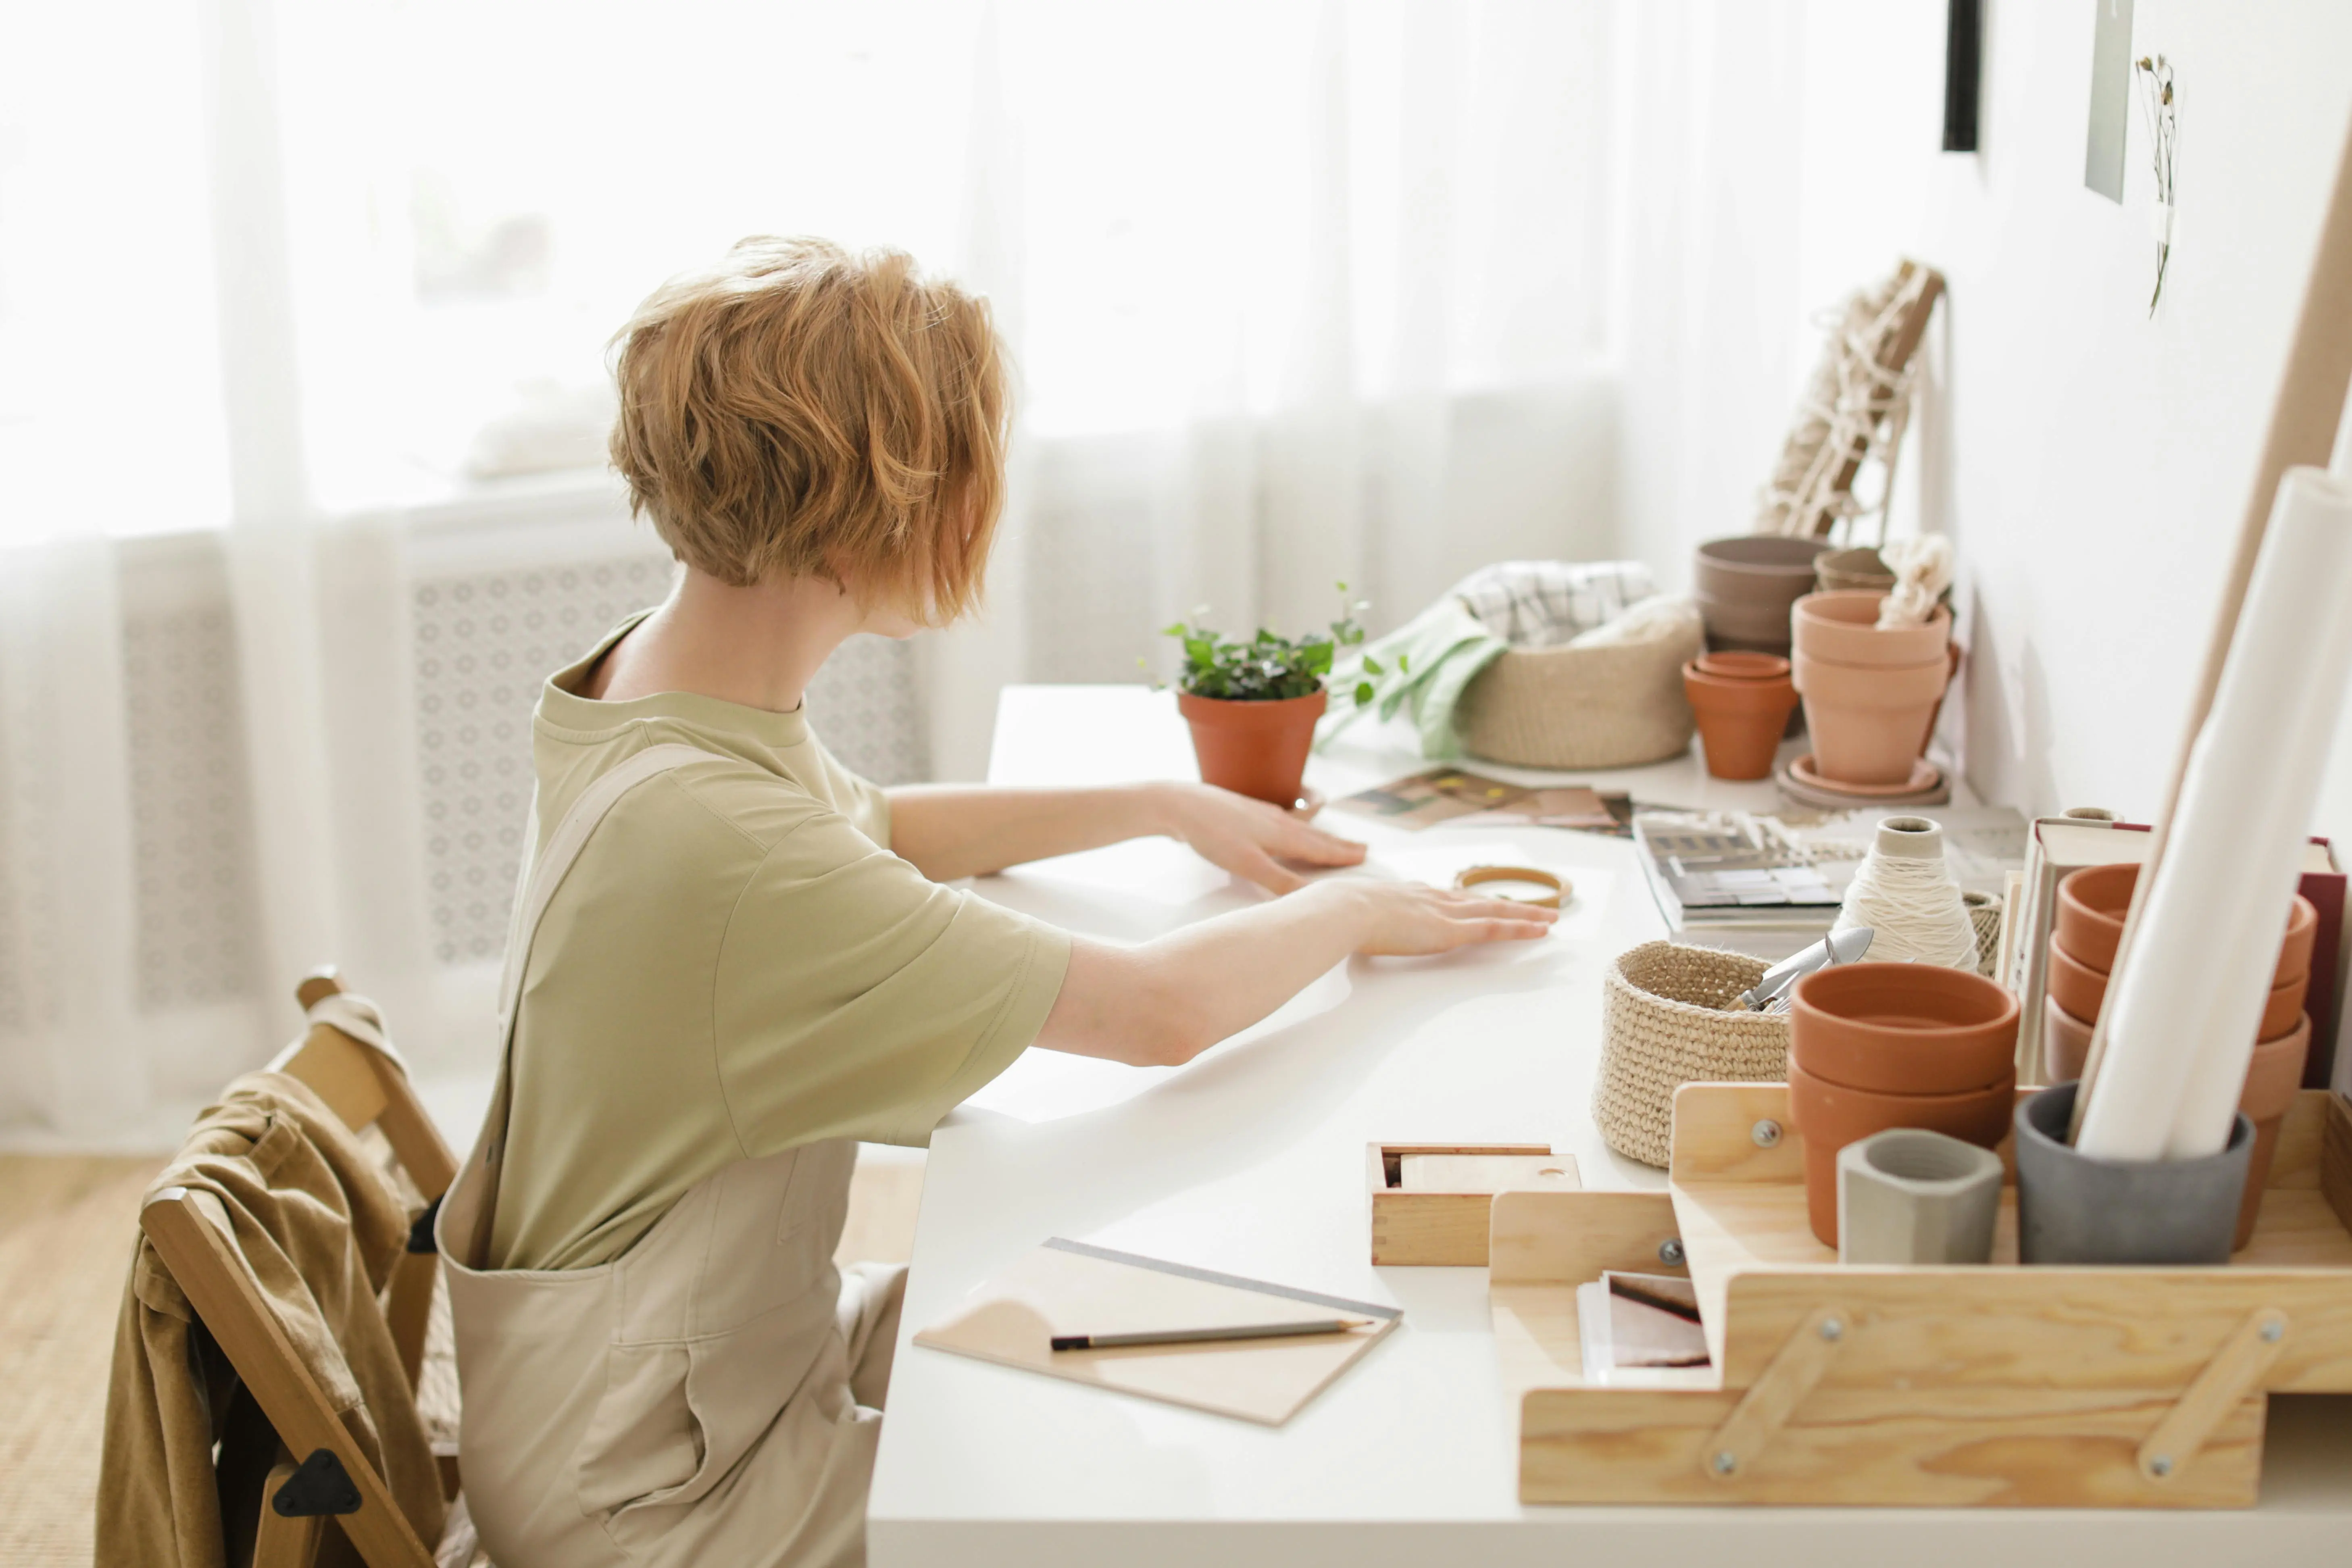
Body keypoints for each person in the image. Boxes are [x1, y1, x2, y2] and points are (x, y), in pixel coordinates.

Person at [436, 236, 1555, 1568]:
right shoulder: (729, 845)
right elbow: (1159, 1011)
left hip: (696, 1357)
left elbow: (874, 831)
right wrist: (1364, 912)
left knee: (1156, 1320)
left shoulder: (655, 691)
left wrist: (1158, 800)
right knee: (1148, 1494)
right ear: (868, 511)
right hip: (650, 1489)